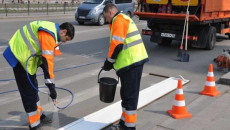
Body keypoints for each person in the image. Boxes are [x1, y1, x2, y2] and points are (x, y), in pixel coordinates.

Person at [3, 21, 75, 130]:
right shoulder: (49, 34)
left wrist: (50, 86)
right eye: (66, 39)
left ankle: (39, 115)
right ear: (64, 31)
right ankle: (35, 125)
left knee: (33, 88)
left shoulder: (52, 32)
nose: (64, 42)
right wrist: (52, 90)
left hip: (27, 58)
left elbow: (44, 57)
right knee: (29, 93)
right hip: (19, 57)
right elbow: (47, 64)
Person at [102, 4, 149, 130]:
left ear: (111, 13)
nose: (106, 20)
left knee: (130, 96)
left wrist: (109, 62)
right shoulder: (120, 19)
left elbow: (117, 45)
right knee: (125, 94)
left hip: (133, 62)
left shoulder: (119, 20)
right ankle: (123, 123)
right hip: (128, 64)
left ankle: (130, 127)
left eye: (106, 17)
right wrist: (110, 62)